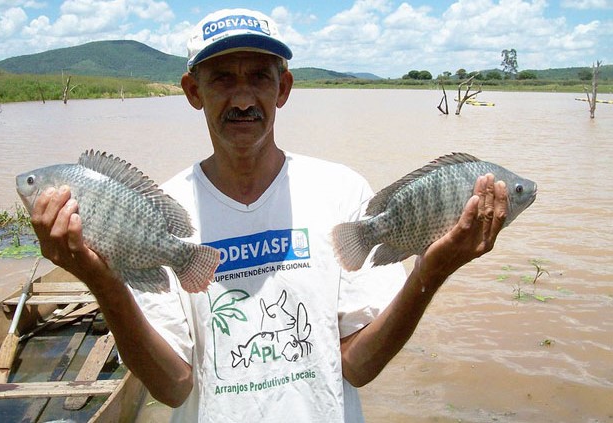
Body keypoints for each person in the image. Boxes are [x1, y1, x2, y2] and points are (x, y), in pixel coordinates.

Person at [30, 8, 508, 423]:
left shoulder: (340, 191)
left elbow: (358, 367)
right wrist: (103, 282)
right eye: (222, 78)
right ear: (193, 91)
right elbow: (173, 386)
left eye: (259, 76)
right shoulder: (158, 210)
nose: (242, 99)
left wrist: (430, 271)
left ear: (284, 88)